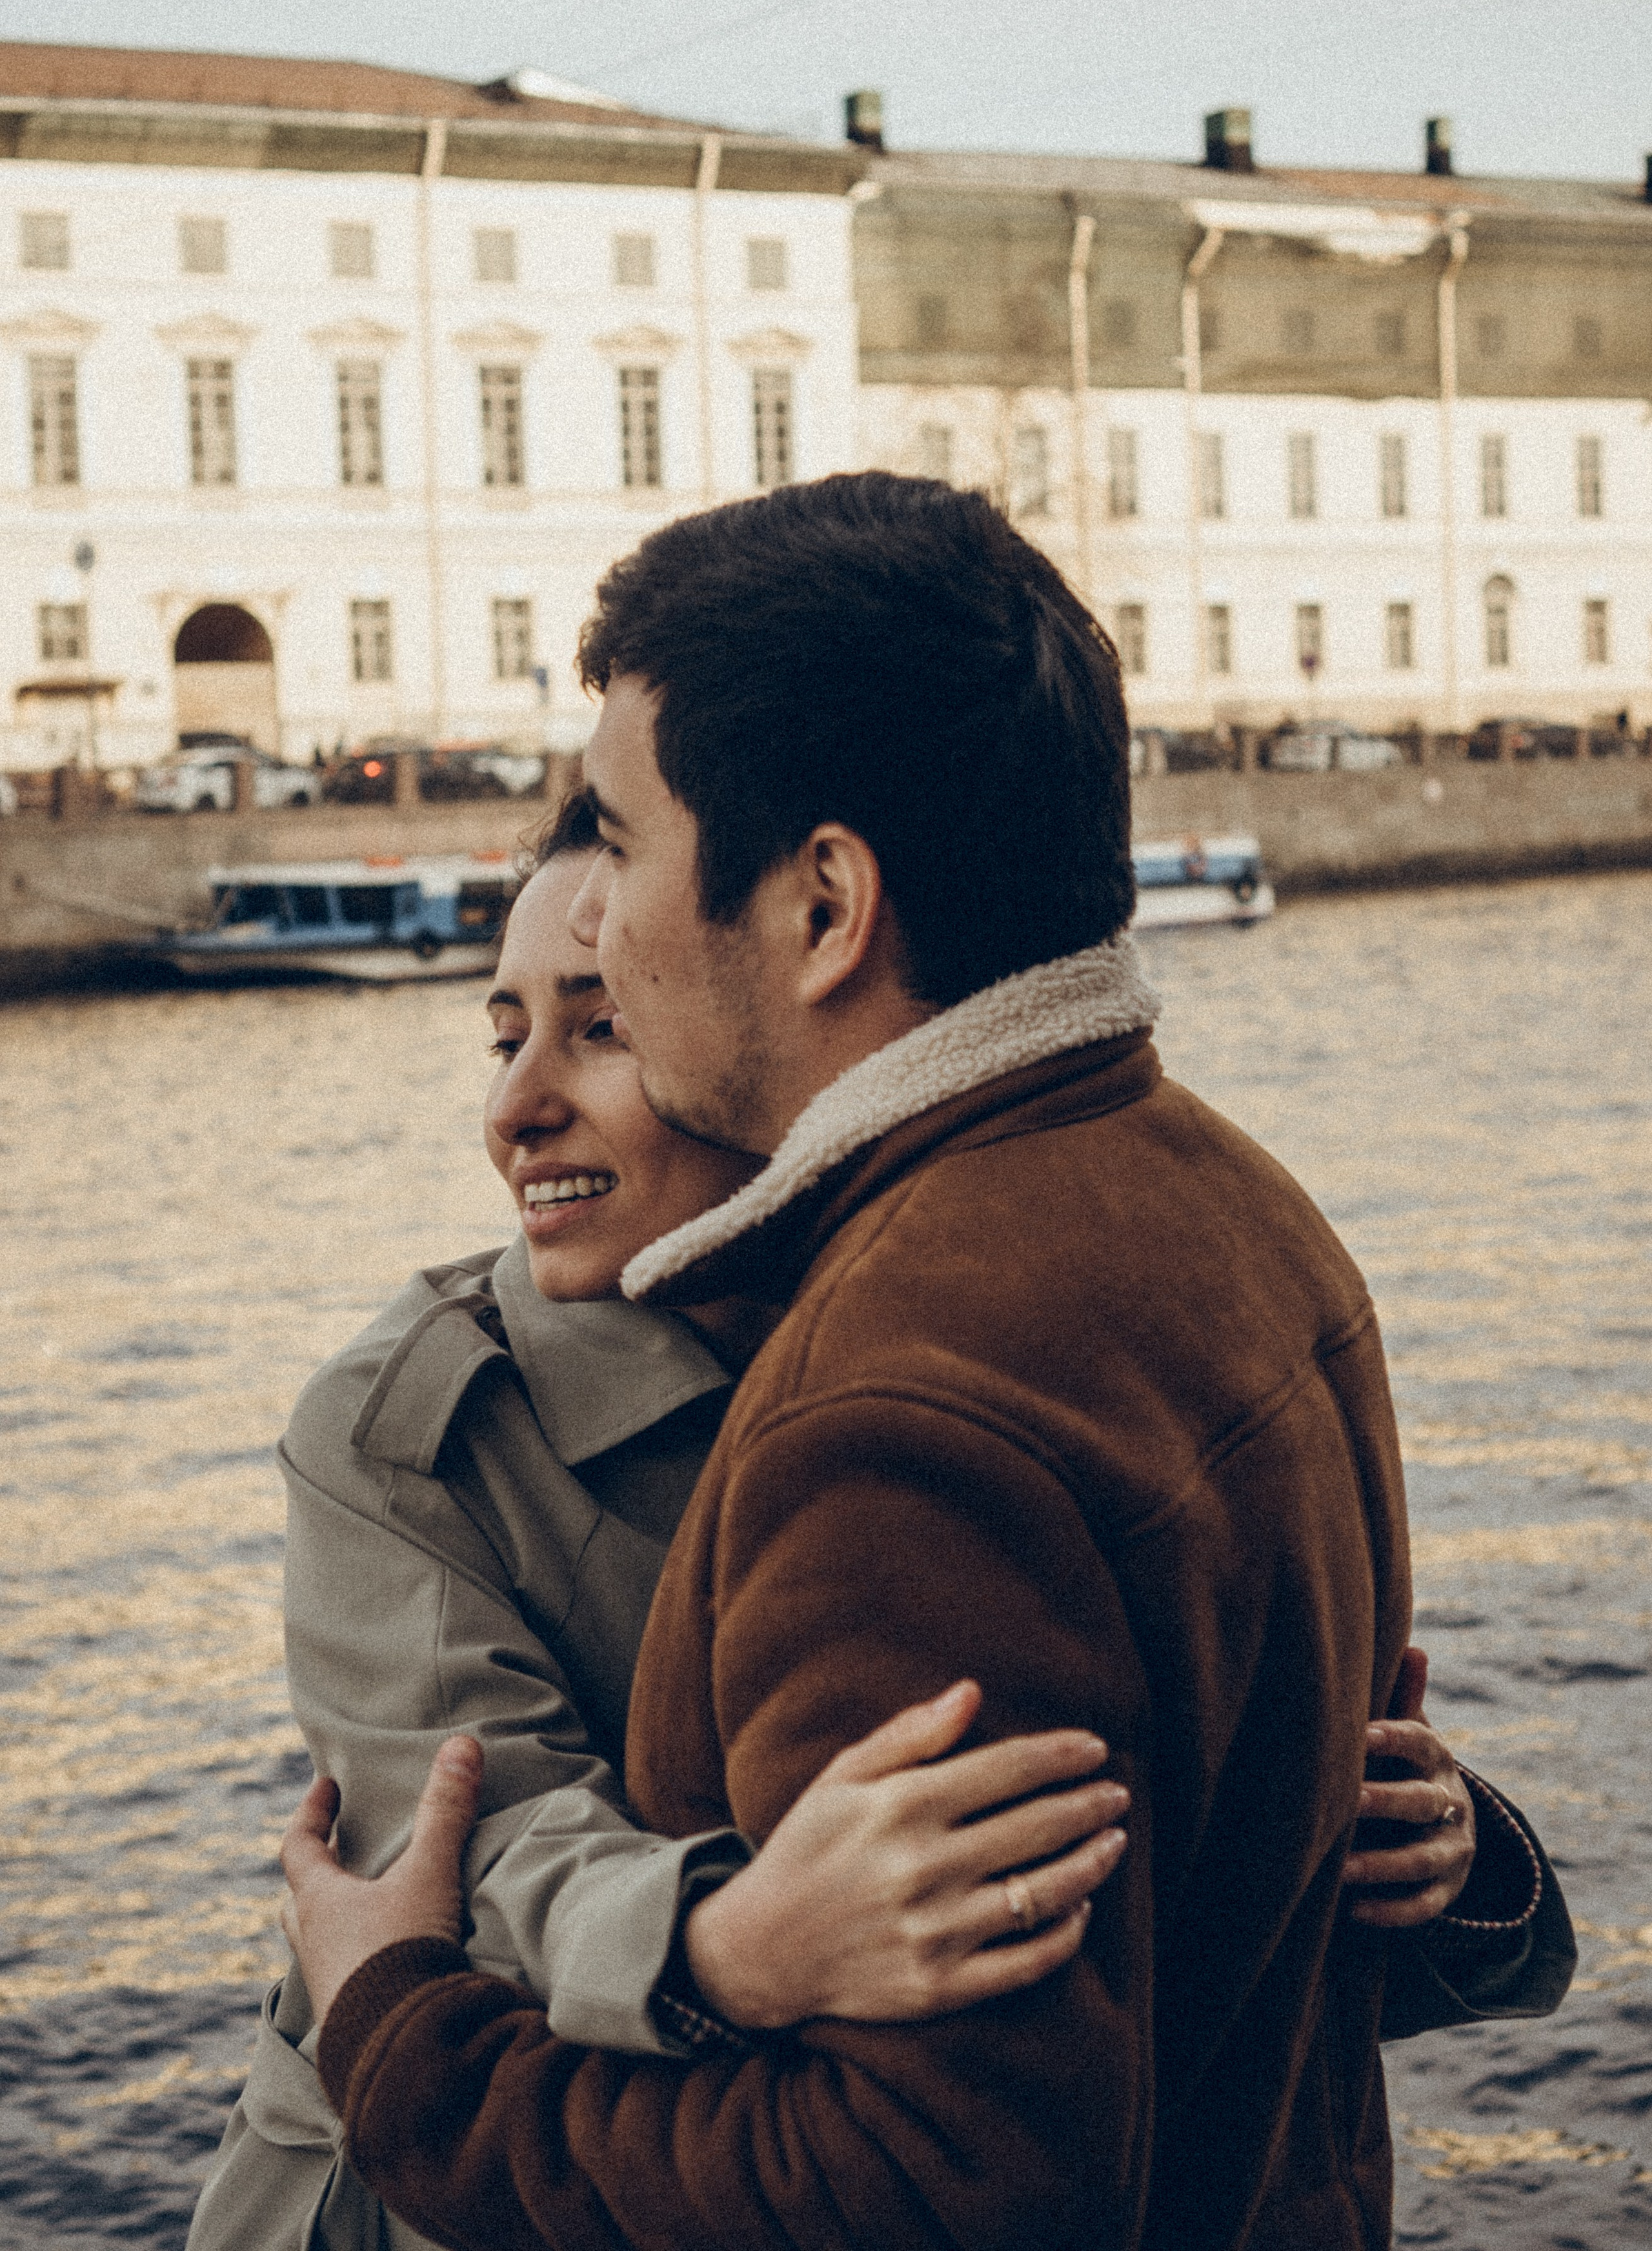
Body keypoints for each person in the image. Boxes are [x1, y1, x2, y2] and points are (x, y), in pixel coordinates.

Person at [285, 474, 1573, 2251]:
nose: (609, 935)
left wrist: (401, 2048)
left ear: (825, 906)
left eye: (627, 849)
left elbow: (921, 2188)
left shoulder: (886, 1408)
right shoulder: (1246, 1211)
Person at [188, 790, 1135, 2251]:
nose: (514, 1109)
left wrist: (1422, 1864)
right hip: (425, 2195)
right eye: (505, 1036)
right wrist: (722, 1944)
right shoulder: (400, 1432)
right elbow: (464, 1853)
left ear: (756, 1038)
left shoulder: (946, 1341)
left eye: (602, 1026)